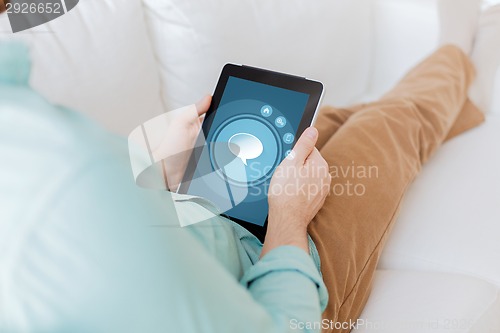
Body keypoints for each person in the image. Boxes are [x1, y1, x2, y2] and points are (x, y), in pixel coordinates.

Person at [0, 41, 483, 333]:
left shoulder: (38, 145)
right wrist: (290, 222)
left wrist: (157, 180)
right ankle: (463, 55)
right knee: (396, 122)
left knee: (324, 122)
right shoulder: (66, 173)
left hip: (202, 215)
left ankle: (451, 107)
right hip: (284, 276)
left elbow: (107, 252)